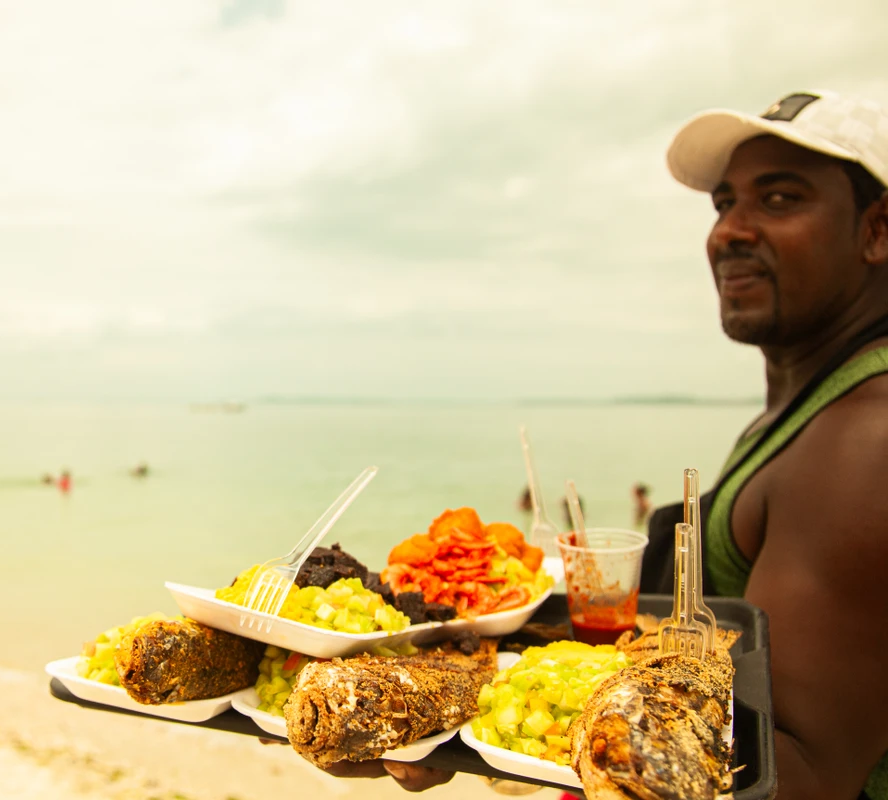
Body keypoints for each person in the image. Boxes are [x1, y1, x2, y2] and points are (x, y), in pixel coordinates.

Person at [342, 91, 888, 798]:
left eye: (780, 199)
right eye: (724, 204)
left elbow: (797, 773)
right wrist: (457, 693)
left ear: (878, 229)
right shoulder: (815, 405)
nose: (730, 232)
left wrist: (515, 734)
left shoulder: (866, 442)